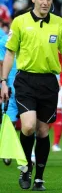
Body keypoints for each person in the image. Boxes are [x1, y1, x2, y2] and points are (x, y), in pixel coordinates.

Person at [1, 0, 62, 191]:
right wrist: (3, 81)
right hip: (25, 80)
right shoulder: (20, 22)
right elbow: (9, 53)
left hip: (50, 81)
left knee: (42, 131)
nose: (45, 3)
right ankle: (25, 167)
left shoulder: (59, 24)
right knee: (28, 126)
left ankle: (39, 178)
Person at [0, 26, 18, 166]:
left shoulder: (4, 39)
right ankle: (7, 149)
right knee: (9, 120)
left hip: (18, 83)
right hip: (10, 83)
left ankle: (29, 153)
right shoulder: (5, 40)